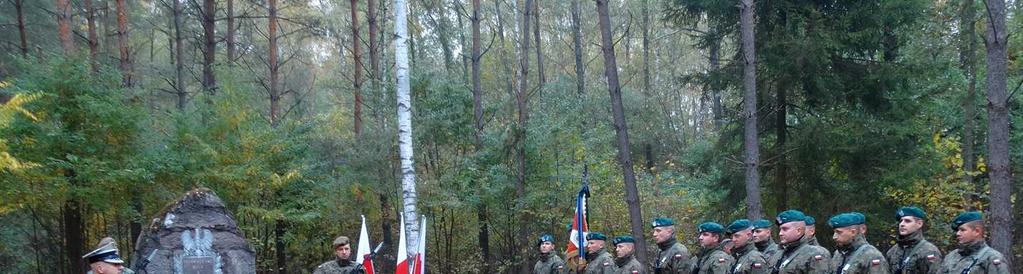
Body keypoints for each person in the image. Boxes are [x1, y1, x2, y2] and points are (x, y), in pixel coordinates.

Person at [938, 211, 1010, 274]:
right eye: (957, 230)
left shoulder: (991, 257)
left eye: (962, 230)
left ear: (977, 231)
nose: (958, 233)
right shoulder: (952, 256)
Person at [767, 210, 830, 274]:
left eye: (785, 229)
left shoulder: (815, 253)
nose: (780, 233)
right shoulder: (778, 253)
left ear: (798, 231)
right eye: (780, 229)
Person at [885, 207, 941, 274]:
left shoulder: (929, 251)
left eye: (907, 221)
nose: (902, 224)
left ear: (919, 224)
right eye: (901, 221)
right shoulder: (892, 251)